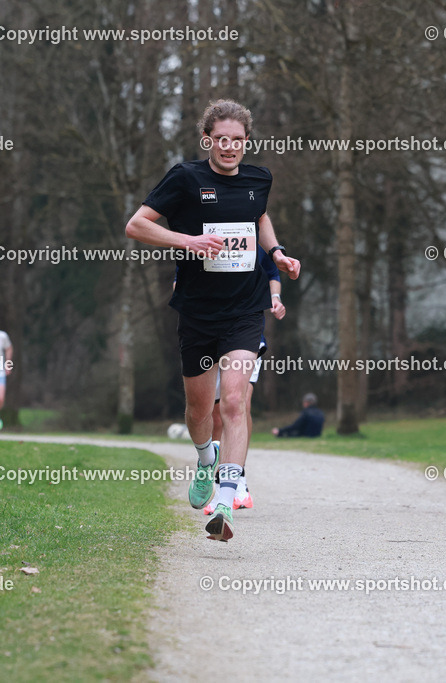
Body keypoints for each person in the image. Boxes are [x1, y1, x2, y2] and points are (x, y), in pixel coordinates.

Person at [126, 98, 300, 542]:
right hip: (197, 312)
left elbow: (259, 215)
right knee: (200, 409)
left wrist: (276, 253)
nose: (229, 147)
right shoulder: (185, 178)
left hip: (245, 309)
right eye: (221, 139)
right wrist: (187, 241)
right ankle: (206, 457)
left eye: (237, 140)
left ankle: (226, 495)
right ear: (208, 140)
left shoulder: (259, 179)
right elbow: (137, 225)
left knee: (236, 402)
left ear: (246, 142)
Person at [202, 249, 286, 514]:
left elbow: (272, 271)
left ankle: (238, 481)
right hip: (208, 333)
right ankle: (214, 476)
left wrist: (275, 298)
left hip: (246, 334)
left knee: (239, 404)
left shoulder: (250, 237)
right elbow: (181, 278)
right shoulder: (203, 234)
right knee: (216, 413)